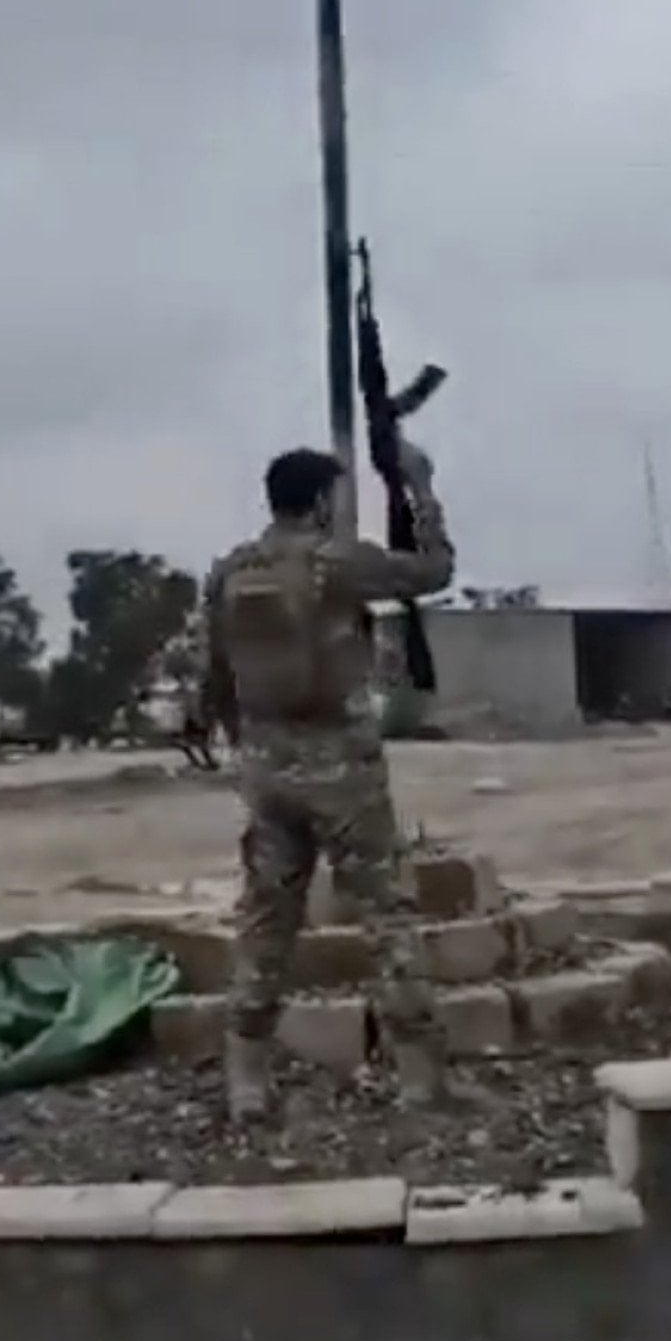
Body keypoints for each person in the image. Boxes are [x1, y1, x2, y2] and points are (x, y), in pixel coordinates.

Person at [200, 439, 455, 1122]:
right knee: (387, 919)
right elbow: (433, 571)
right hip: (344, 770)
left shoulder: (230, 571)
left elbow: (214, 674)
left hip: (267, 769)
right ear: (318, 501)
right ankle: (421, 1082)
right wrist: (420, 485)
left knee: (265, 923)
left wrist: (248, 750)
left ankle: (246, 1085)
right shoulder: (339, 564)